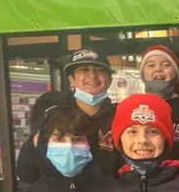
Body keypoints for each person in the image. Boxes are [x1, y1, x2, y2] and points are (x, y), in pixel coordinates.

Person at [16, 47, 122, 182]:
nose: (92, 75)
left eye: (100, 70)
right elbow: (27, 173)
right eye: (84, 69)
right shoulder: (54, 115)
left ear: (109, 80)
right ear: (71, 80)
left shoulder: (119, 116)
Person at [138, 44, 179, 183]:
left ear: (176, 71)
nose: (158, 69)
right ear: (142, 73)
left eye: (166, 64)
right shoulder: (135, 108)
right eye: (150, 65)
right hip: (148, 187)